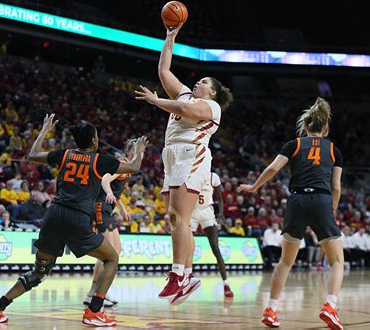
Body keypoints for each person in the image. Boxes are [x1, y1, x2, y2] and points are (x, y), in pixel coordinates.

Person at [0, 115, 148, 326]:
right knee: (111, 259)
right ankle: (94, 311)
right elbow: (134, 168)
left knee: (39, 271)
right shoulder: (100, 160)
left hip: (53, 214)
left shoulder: (65, 155)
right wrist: (141, 150)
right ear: (94, 141)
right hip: (77, 217)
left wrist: (44, 130)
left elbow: (32, 155)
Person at [135, 23, 233, 305]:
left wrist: (156, 101)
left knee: (179, 217)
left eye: (203, 82)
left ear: (212, 92)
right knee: (178, 219)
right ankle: (186, 275)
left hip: (192, 155)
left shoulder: (211, 107)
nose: (197, 83)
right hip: (173, 155)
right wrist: (170, 38)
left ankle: (179, 274)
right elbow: (164, 72)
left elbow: (186, 111)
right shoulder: (184, 94)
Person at [238, 97, 344, 329]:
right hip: (322, 200)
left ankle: (271, 310)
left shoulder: (293, 144)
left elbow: (274, 168)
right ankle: (330, 305)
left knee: (285, 262)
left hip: (297, 201)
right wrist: (332, 209)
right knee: (337, 261)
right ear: (325, 128)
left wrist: (255, 187)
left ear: (305, 127)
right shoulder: (334, 150)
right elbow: (336, 187)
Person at [84, 139, 136, 308]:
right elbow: (105, 179)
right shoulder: (122, 163)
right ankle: (100, 293)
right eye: (137, 151)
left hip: (108, 210)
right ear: (129, 152)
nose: (139, 155)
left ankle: (92, 292)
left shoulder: (128, 169)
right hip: (100, 206)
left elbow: (117, 192)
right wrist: (108, 193)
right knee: (108, 254)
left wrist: (123, 209)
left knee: (116, 250)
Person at [190, 171, 234, 300]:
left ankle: (226, 284)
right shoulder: (190, 173)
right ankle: (184, 279)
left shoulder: (213, 176)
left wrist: (221, 213)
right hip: (192, 212)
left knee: (215, 247)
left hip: (207, 211)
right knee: (187, 246)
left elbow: (220, 198)